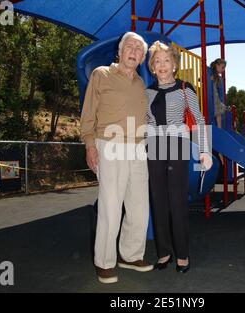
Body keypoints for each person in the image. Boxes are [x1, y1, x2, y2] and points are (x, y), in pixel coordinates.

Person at [80, 32, 154, 284]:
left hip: (137, 148)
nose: (134, 51)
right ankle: (104, 261)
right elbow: (88, 114)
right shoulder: (101, 74)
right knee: (111, 208)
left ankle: (131, 255)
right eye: (129, 46)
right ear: (120, 51)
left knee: (139, 207)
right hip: (109, 144)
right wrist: (90, 145)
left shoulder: (140, 84)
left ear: (142, 58)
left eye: (139, 49)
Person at [145, 41, 212, 273]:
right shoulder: (148, 93)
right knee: (158, 202)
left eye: (166, 60)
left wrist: (204, 150)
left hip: (177, 148)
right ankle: (164, 253)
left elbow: (200, 120)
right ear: (152, 67)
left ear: (174, 64)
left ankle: (182, 254)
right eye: (157, 61)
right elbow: (144, 125)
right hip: (154, 148)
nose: (162, 65)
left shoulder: (185, 88)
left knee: (177, 202)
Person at [210, 58, 227, 128]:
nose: (223, 70)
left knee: (219, 112)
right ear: (217, 65)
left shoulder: (216, 76)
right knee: (219, 113)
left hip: (214, 96)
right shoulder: (212, 74)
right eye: (222, 67)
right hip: (213, 97)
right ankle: (219, 128)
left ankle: (219, 128)